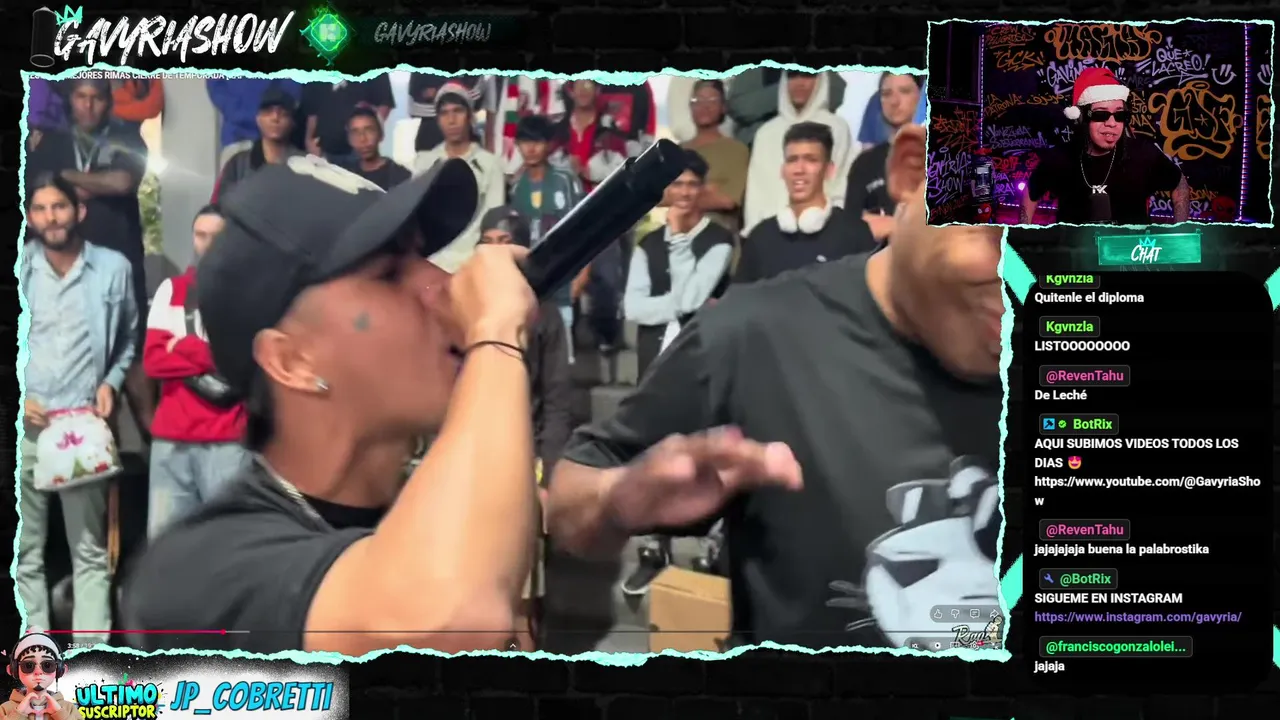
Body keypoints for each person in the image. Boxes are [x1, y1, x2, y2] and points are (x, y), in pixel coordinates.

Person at [547, 123, 1004, 651]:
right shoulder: (750, 334)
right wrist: (615, 500)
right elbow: (571, 501)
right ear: (916, 169)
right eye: (1002, 224)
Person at [120, 155, 540, 656]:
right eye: (389, 274)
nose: (443, 283)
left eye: (424, 256)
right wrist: (496, 334)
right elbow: (446, 619)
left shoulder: (424, 502)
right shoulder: (195, 571)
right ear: (291, 361)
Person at [20, 173, 138, 648]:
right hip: (25, 428)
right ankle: (33, 659)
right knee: (23, 554)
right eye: (41, 209)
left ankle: (90, 664)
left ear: (79, 211)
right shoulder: (19, 268)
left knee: (89, 553)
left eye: (59, 207)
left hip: (81, 429)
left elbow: (128, 338)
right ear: (30, 218)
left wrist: (112, 382)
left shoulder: (113, 268)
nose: (51, 217)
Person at [618, 150, 735, 595]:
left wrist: (667, 299)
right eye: (677, 185)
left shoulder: (719, 240)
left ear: (702, 190)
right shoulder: (648, 243)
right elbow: (634, 307)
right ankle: (654, 547)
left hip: (702, 359)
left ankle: (709, 548)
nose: (684, 193)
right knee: (654, 453)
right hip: (655, 360)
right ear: (666, 191)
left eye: (691, 185)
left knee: (704, 451)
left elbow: (691, 298)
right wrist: (674, 304)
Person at [25, 78, 154, 437]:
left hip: (120, 259)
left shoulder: (127, 137)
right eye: (81, 97)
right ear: (71, 100)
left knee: (133, 354)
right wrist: (95, 183)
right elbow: (40, 195)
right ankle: (89, 448)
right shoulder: (49, 142)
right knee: (80, 358)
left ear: (108, 101)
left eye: (96, 98)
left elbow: (122, 182)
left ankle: (154, 445)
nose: (88, 105)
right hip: (67, 263)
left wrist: (64, 177)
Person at [477, 207, 574, 648]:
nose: (496, 252)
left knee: (522, 595)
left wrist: (547, 476)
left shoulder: (545, 315)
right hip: (473, 458)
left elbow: (557, 402)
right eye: (488, 242)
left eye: (505, 242)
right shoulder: (463, 307)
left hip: (523, 459)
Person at [143, 205, 250, 538]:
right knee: (163, 546)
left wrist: (182, 346)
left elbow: (242, 359)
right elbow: (153, 361)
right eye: (200, 235)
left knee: (226, 542)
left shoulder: (250, 293)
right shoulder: (172, 289)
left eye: (215, 236)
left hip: (228, 438)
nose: (206, 243)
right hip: (172, 438)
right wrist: (210, 353)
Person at [1022, 67, 1188, 225]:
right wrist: (1024, 233)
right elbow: (1031, 192)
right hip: (1075, 245)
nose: (1112, 123)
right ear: (1081, 118)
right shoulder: (1060, 158)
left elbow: (1179, 182)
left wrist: (1181, 230)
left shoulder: (1143, 154)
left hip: (1134, 245)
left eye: (1119, 115)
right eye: (1101, 114)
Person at [736, 122, 877, 285]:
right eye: (792, 160)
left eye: (811, 160)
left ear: (829, 170)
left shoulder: (855, 234)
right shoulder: (760, 237)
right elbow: (739, 297)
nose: (799, 170)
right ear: (782, 170)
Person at [510, 115, 585, 361]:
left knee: (561, 359)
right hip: (528, 284)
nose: (531, 148)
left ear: (549, 144)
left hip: (562, 280)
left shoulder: (566, 180)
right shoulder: (516, 188)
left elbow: (583, 227)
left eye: (538, 141)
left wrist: (583, 273)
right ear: (517, 145)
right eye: (525, 142)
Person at [744, 71, 854, 236]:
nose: (799, 83)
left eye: (807, 75)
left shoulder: (837, 128)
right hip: (771, 236)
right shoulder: (765, 133)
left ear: (821, 80)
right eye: (793, 76)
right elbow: (755, 195)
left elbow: (841, 187)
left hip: (826, 232)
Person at [413, 82, 506, 273]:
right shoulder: (424, 163)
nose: (452, 120)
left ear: (470, 116)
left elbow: (492, 221)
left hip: (473, 264)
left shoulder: (490, 164)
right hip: (431, 264)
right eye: (444, 113)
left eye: (458, 111)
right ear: (438, 119)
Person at [847, 73, 923, 243]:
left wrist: (891, 225)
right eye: (886, 94)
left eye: (904, 91)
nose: (894, 101)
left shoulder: (943, 156)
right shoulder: (864, 164)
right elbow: (851, 228)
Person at [212, 86, 305, 202]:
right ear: (258, 119)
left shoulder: (305, 164)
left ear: (293, 122)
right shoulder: (238, 164)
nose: (275, 118)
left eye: (283, 114)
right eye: (268, 112)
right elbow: (220, 205)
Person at [682, 80, 750, 236]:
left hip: (721, 236)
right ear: (691, 106)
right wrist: (708, 189)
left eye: (712, 100)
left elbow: (728, 200)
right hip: (679, 237)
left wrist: (683, 194)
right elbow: (662, 197)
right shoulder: (677, 151)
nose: (704, 106)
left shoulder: (736, 150)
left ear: (723, 107)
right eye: (698, 100)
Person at [303, 76, 396, 163]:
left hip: (360, 151)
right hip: (324, 149)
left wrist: (367, 135)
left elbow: (385, 103)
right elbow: (312, 111)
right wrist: (309, 139)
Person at [2, 631, 84, 720]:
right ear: (13, 670)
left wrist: (60, 713)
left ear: (60, 670)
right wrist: (18, 714)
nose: (38, 672)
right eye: (28, 665)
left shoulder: (68, 708)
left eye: (47, 665)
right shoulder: (5, 709)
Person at [206, 79, 303, 150]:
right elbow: (215, 84)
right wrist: (236, 112)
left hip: (278, 139)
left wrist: (275, 113)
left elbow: (294, 86)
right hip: (237, 136)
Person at [408, 74, 491, 152]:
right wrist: (454, 93)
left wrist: (441, 93)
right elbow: (413, 104)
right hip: (430, 133)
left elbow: (477, 93)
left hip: (465, 133)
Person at [344, 107, 411, 190]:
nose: (362, 139)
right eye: (355, 132)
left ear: (381, 135)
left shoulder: (401, 176)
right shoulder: (345, 175)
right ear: (349, 139)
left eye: (369, 131)